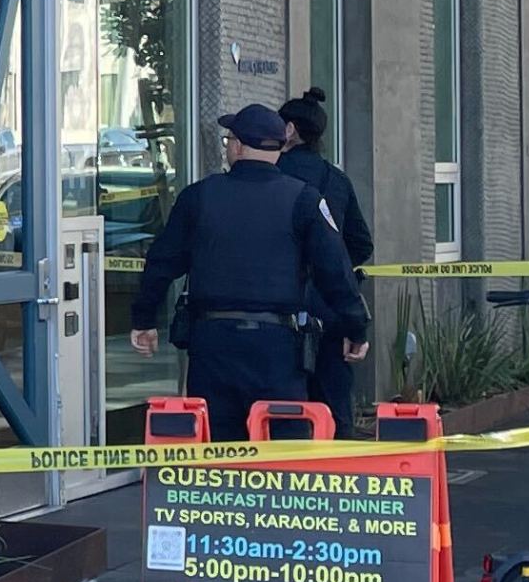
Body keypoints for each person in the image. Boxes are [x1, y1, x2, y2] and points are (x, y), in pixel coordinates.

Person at [128, 104, 369, 439]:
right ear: (280, 147)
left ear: (237, 146)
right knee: (284, 455)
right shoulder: (304, 200)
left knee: (217, 451)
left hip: (213, 346)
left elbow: (161, 262)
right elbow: (336, 271)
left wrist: (144, 319)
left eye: (228, 139)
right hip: (278, 350)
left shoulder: (198, 197)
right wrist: (355, 328)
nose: (227, 146)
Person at [277, 89, 377, 432]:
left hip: (278, 312)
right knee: (335, 407)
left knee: (283, 413)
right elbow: (362, 244)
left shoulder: (272, 174)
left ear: (289, 130)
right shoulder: (335, 179)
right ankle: (338, 475)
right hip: (329, 310)